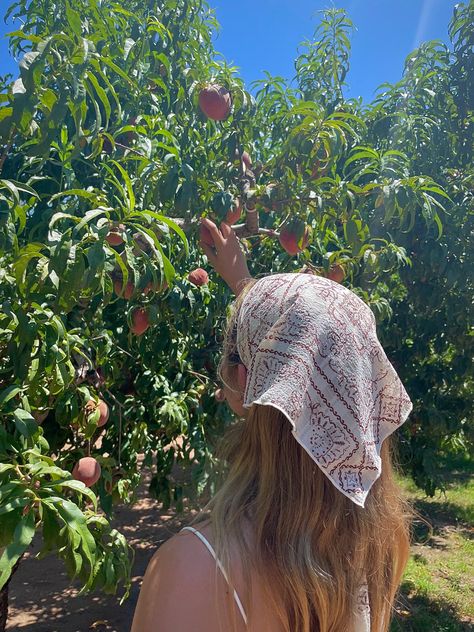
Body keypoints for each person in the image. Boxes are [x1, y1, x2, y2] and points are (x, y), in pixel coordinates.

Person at [131, 218, 413, 632]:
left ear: (247, 382)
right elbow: (306, 342)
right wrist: (243, 282)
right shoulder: (377, 548)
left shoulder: (195, 570)